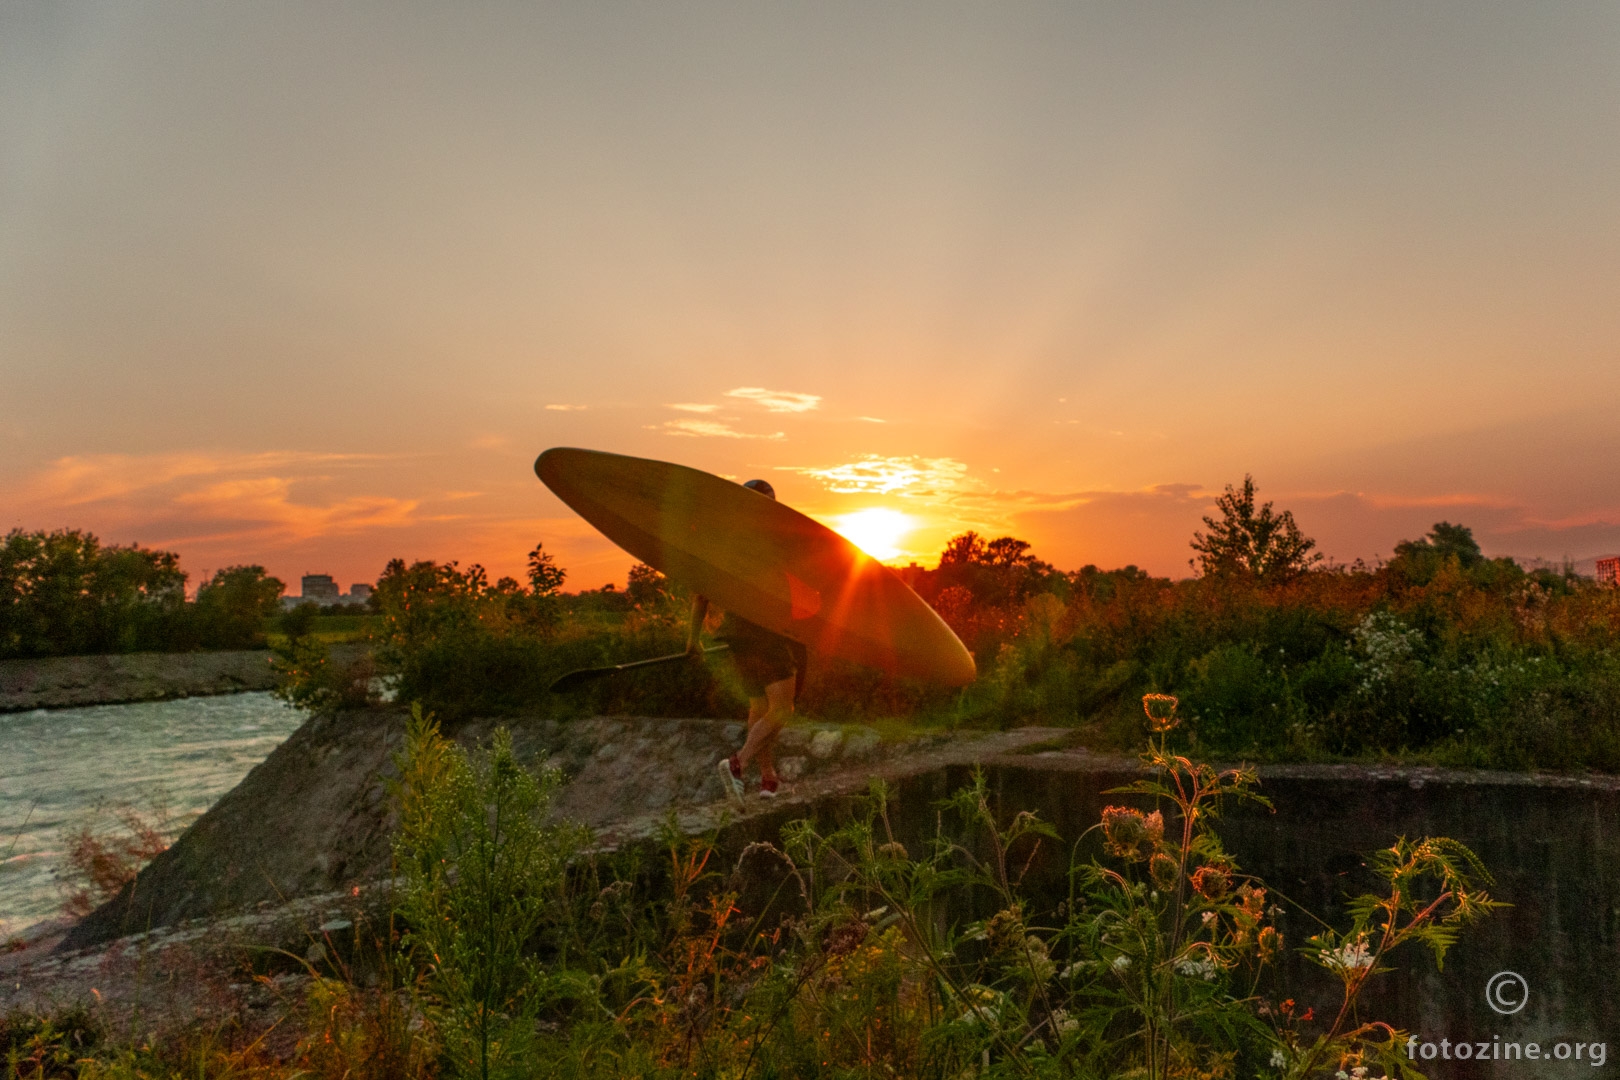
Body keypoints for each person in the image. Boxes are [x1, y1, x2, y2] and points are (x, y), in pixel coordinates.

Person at [686, 478, 807, 801]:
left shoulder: (723, 546)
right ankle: (739, 763)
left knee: (759, 705)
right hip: (766, 632)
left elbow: (700, 597)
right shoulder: (774, 541)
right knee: (783, 708)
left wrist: (692, 640)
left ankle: (767, 778)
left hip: (736, 636)